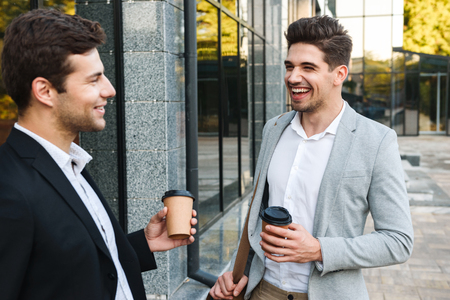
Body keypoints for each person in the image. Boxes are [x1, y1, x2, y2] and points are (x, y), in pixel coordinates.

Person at [209, 15, 414, 300]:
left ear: (339, 74)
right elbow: (258, 215)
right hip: (261, 289)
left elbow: (398, 241)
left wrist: (318, 249)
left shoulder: (376, 141)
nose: (293, 77)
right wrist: (235, 270)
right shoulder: (274, 129)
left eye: (308, 68)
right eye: (290, 66)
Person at [0, 9, 197, 300]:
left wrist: (142, 243)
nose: (110, 89)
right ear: (45, 91)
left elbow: (65, 266)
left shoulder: (70, 163)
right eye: (94, 80)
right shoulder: (9, 190)